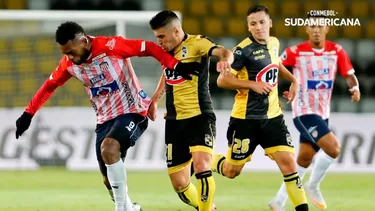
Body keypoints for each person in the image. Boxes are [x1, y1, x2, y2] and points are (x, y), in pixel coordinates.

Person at [14, 21, 202, 211]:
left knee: (109, 148)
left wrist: (174, 65)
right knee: (108, 181)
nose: (69, 57)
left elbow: (149, 47)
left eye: (71, 52)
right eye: (65, 54)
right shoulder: (69, 65)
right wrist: (28, 114)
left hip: (133, 111)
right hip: (104, 120)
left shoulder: (111, 46)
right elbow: (49, 87)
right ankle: (130, 208)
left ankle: (121, 209)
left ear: (84, 41)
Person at [210, 5, 310, 211]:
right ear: (248, 27)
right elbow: (222, 80)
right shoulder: (242, 51)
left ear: (270, 23)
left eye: (262, 22)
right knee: (231, 171)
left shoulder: (274, 43)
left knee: (289, 164)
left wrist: (293, 80)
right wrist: (252, 84)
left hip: (273, 118)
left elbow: (276, 63)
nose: (258, 27)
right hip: (246, 120)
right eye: (253, 24)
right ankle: (206, 160)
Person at [268, 14, 361, 211]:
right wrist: (275, 94)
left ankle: (278, 201)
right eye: (313, 26)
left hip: (322, 112)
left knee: (304, 159)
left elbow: (350, 75)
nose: (316, 29)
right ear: (307, 29)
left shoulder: (337, 51)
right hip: (303, 112)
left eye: (320, 26)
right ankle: (313, 186)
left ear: (327, 29)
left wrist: (355, 88)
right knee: (334, 149)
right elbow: (273, 66)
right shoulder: (295, 52)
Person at [147, 10, 233, 211]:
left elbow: (223, 51)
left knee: (201, 167)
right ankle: (210, 200)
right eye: (157, 37)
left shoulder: (197, 43)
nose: (159, 41)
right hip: (174, 121)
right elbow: (167, 74)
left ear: (176, 31)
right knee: (180, 184)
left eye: (161, 36)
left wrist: (226, 61)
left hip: (199, 115)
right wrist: (155, 99)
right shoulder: (167, 51)